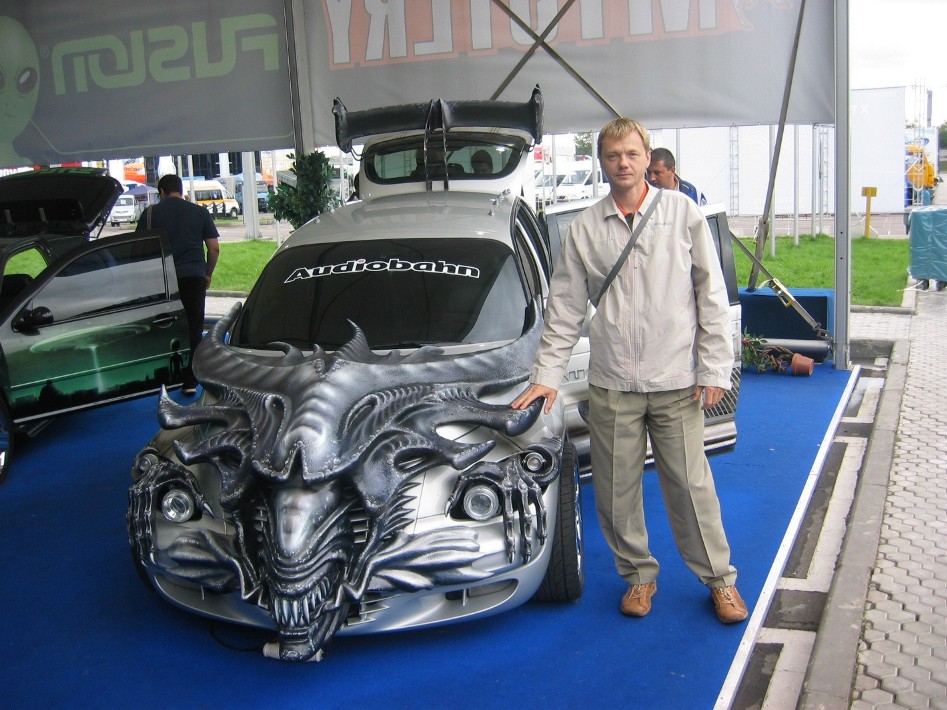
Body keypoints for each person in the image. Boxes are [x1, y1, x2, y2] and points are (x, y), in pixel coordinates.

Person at [511, 117, 747, 624]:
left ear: (647, 158)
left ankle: (720, 580)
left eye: (632, 154)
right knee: (617, 492)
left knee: (691, 488)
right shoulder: (584, 227)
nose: (623, 163)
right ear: (602, 162)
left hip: (675, 381)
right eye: (613, 155)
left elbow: (711, 295)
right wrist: (546, 376)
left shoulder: (682, 213)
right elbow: (565, 308)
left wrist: (714, 368)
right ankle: (638, 576)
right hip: (613, 382)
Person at [137, 173, 220, 396]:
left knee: (164, 327)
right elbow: (214, 248)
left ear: (161, 192)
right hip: (193, 276)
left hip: (163, 280)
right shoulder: (199, 212)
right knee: (194, 327)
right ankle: (190, 381)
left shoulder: (150, 213)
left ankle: (165, 380)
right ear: (181, 191)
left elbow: (140, 249)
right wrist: (207, 274)